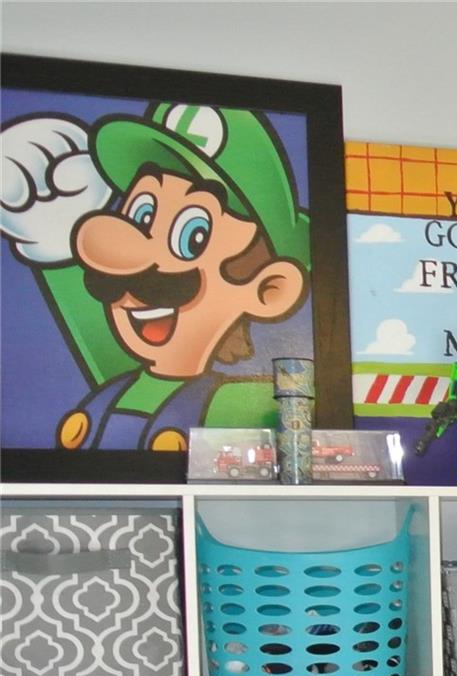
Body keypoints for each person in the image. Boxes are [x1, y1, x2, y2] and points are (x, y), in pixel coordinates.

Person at [0, 101, 311, 452]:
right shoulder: (106, 397)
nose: (128, 269)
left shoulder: (233, 403)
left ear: (270, 290)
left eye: (193, 236)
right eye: (143, 214)